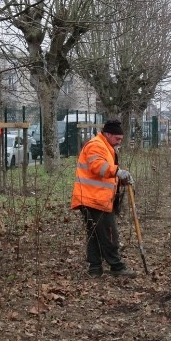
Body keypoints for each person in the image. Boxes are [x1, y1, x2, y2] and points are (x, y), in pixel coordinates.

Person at [71, 119, 137, 278]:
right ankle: (116, 266)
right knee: (109, 233)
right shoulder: (96, 145)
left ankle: (95, 268)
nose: (119, 142)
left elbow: (105, 176)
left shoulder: (106, 147)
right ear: (107, 134)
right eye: (117, 139)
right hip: (94, 199)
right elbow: (98, 167)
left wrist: (120, 181)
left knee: (94, 234)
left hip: (92, 198)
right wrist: (117, 171)